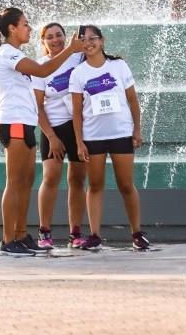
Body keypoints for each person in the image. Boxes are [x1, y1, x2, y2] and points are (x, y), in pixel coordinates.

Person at [0, 8, 83, 256]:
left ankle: (21, 235)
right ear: (12, 29)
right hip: (12, 121)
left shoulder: (16, 53)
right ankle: (7, 240)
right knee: (14, 183)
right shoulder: (6, 53)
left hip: (25, 122)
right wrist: (69, 50)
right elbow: (43, 71)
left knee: (26, 182)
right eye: (25, 24)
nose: (29, 28)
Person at [69, 25, 149, 251]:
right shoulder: (78, 73)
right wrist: (79, 141)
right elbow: (76, 112)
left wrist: (137, 129)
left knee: (126, 184)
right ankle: (94, 235)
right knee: (95, 185)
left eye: (92, 38)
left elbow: (132, 100)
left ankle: (136, 233)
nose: (88, 43)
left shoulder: (119, 66)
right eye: (83, 40)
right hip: (93, 136)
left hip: (121, 133)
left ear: (102, 41)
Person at [32, 23, 87, 249]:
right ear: (43, 41)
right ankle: (44, 231)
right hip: (53, 128)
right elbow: (37, 107)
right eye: (50, 37)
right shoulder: (40, 67)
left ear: (66, 37)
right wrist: (52, 137)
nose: (56, 40)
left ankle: (75, 233)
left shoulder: (78, 58)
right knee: (51, 177)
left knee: (77, 180)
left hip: (79, 129)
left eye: (59, 35)